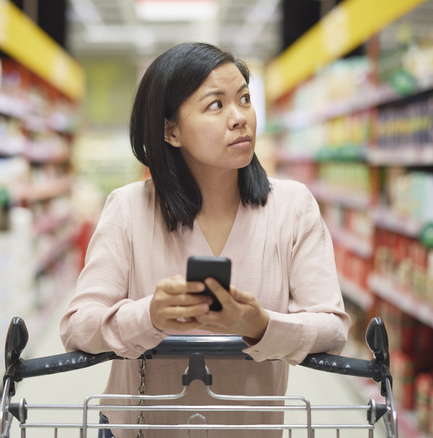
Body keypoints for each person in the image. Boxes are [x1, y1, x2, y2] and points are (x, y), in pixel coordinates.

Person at [60, 42, 349, 438]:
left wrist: (262, 325)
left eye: (245, 99)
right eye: (216, 105)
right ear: (171, 130)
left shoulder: (292, 208)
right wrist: (151, 316)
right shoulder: (128, 208)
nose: (239, 118)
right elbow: (78, 326)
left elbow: (332, 328)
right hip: (142, 430)